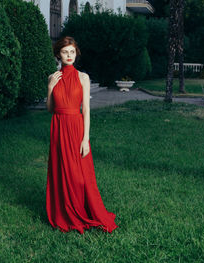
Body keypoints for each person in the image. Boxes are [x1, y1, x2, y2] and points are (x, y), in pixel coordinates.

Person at [46, 36, 119, 234]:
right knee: (62, 171)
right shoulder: (53, 77)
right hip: (59, 127)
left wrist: (86, 138)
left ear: (76, 54)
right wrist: (51, 87)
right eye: (64, 52)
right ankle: (63, 212)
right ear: (58, 54)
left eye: (72, 52)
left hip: (77, 128)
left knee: (80, 177)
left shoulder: (83, 77)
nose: (68, 56)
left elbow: (86, 109)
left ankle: (82, 209)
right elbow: (51, 109)